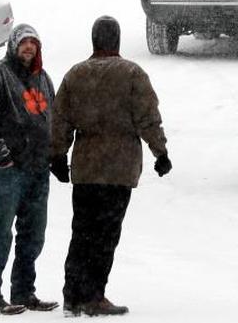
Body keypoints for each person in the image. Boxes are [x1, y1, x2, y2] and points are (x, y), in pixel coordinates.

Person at [50, 16, 171, 317]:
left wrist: (57, 156)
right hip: (118, 169)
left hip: (86, 168)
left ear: (93, 40)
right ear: (116, 40)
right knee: (105, 235)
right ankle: (94, 296)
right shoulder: (132, 74)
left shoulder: (75, 75)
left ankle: (72, 296)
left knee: (82, 231)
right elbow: (147, 118)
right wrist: (160, 152)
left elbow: (60, 120)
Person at [0, 24, 60, 316]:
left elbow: (53, 118)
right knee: (0, 232)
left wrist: (55, 154)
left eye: (33, 43)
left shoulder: (43, 78)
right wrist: (1, 158)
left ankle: (24, 291)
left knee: (33, 233)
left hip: (38, 169)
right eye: (24, 42)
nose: (29, 48)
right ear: (13, 45)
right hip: (6, 171)